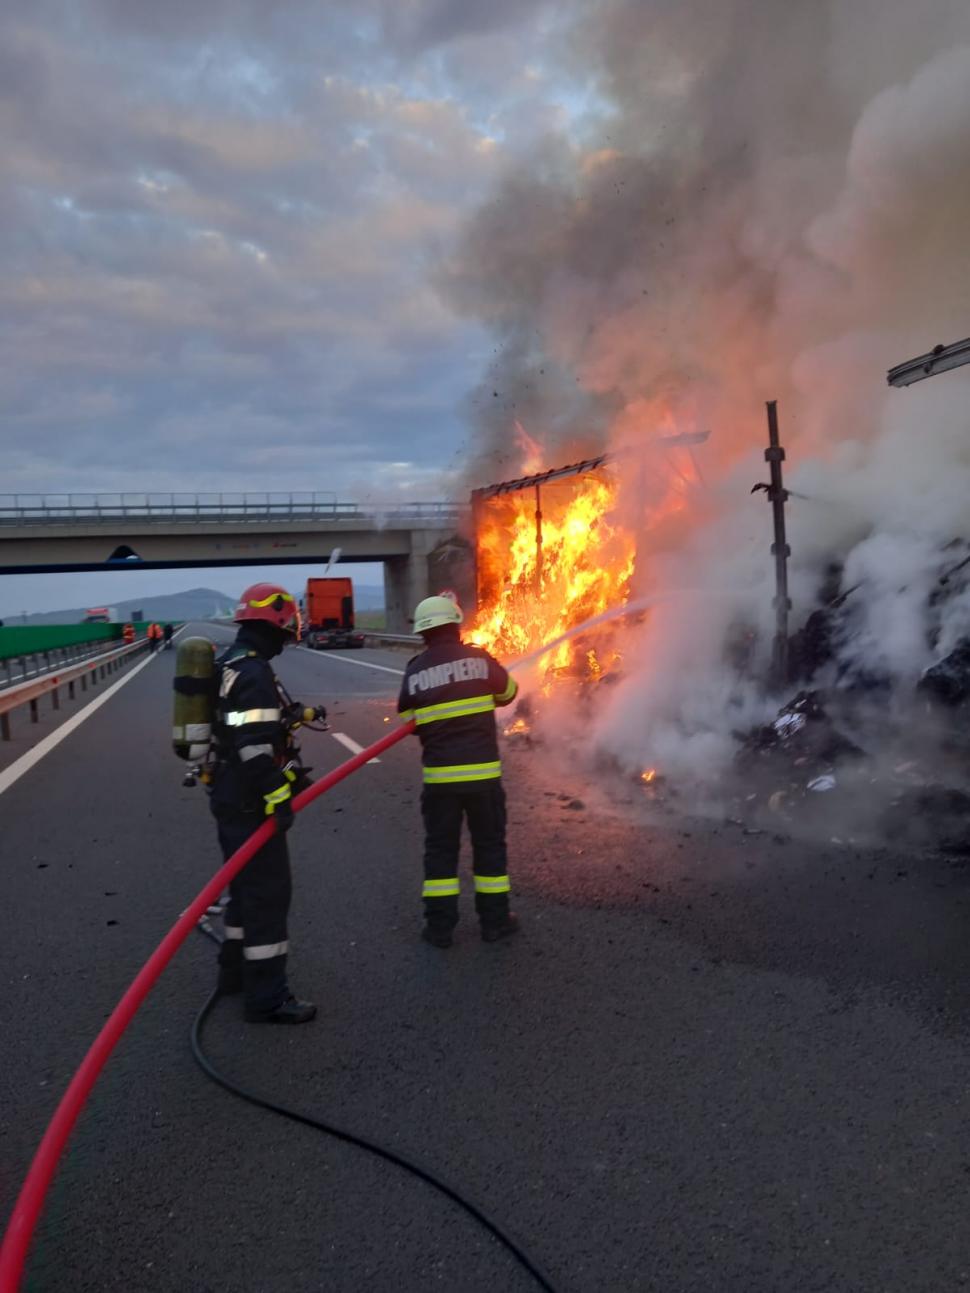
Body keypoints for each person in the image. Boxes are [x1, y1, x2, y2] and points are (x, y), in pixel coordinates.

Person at [209, 582, 316, 1023]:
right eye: (285, 630)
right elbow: (254, 746)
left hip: (227, 789)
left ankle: (233, 973)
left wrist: (297, 716)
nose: (286, 639)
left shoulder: (230, 663)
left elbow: (240, 723)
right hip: (250, 797)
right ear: (273, 625)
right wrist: (279, 796)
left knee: (243, 888)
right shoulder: (254, 673)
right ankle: (267, 997)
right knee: (268, 895)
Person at [397, 595, 520, 948]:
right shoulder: (479, 659)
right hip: (483, 780)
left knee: (440, 851)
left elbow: (409, 720)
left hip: (440, 782)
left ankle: (439, 929)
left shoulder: (415, 671)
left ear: (423, 633)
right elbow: (509, 693)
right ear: (456, 625)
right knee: (489, 848)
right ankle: (495, 923)